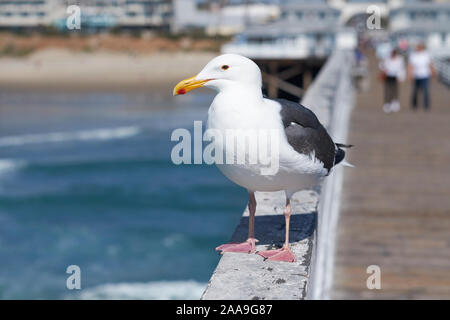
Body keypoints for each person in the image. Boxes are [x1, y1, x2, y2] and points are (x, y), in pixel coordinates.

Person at [408, 43, 435, 111]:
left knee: (426, 91)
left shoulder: (426, 54)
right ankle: (414, 105)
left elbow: (430, 64)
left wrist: (433, 72)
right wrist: (410, 75)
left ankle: (426, 106)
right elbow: (410, 66)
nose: (418, 48)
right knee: (415, 91)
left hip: (425, 75)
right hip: (416, 75)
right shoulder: (413, 55)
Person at [379, 48, 405, 113]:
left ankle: (395, 103)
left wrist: (401, 77)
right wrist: (384, 70)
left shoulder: (400, 59)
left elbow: (401, 68)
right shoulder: (387, 59)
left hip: (395, 76)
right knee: (387, 90)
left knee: (395, 90)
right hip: (388, 76)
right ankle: (387, 104)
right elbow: (381, 65)